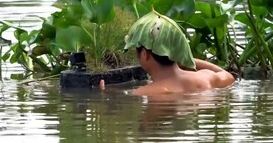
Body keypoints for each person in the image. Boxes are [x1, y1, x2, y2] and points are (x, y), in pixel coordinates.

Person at [100, 10, 235, 95]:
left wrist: (104, 93)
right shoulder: (206, 78)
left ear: (144, 54)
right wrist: (189, 62)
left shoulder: (144, 92)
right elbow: (228, 76)